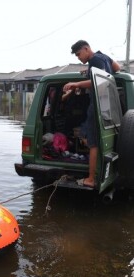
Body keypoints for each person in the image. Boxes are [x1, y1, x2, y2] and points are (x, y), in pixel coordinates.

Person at [63, 40, 121, 188]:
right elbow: (117, 68)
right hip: (108, 106)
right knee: (97, 140)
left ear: (86, 49)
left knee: (93, 143)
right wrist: (88, 72)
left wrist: (76, 84)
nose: (78, 58)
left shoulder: (95, 59)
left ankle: (90, 179)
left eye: (78, 54)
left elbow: (98, 82)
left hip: (96, 105)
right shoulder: (103, 57)